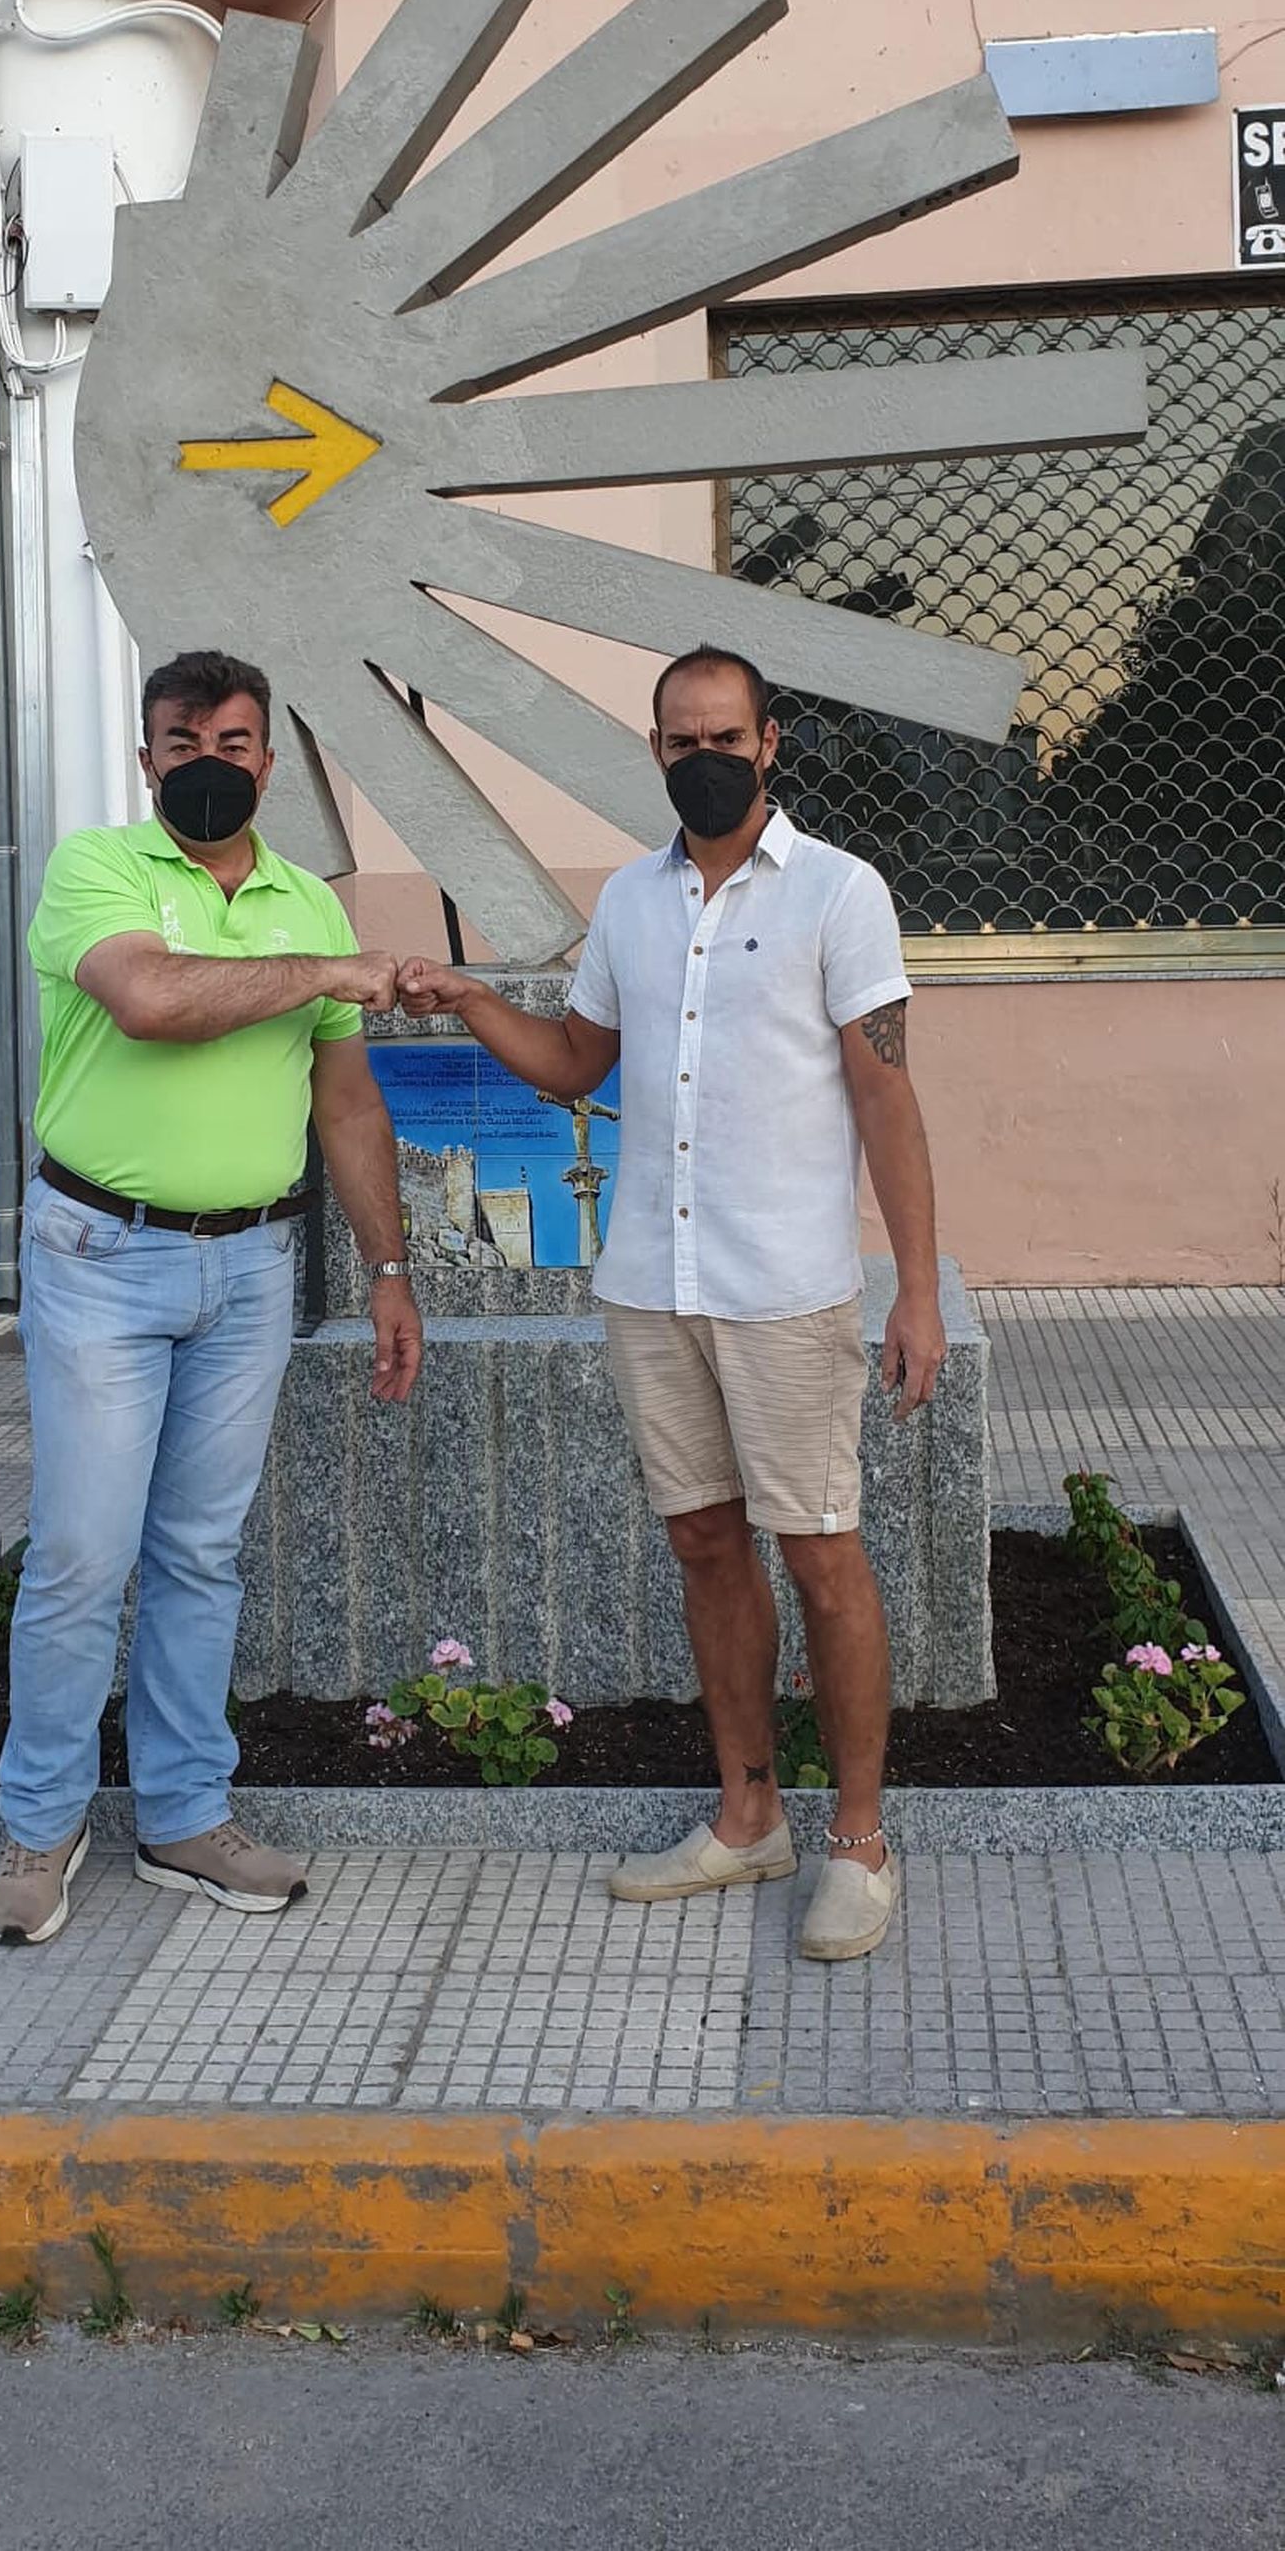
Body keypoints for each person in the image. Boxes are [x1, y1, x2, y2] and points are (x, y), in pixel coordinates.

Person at [399, 644, 945, 1964]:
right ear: (655, 750)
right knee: (706, 1548)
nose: (703, 755)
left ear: (770, 744)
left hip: (786, 1293)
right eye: (679, 737)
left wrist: (916, 1287)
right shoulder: (632, 903)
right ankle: (747, 1813)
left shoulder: (839, 893)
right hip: (653, 1282)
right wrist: (476, 999)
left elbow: (887, 1096)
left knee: (821, 1554)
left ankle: (859, 1839)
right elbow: (577, 1059)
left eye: (726, 735)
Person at [0, 649, 421, 1948]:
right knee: (81, 1554)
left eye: (237, 743)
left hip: (249, 1272)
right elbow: (154, 1000)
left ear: (270, 763)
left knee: (199, 1554)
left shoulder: (308, 903)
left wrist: (389, 1270)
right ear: (147, 759)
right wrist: (320, 978)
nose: (212, 763)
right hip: (102, 1258)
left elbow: (345, 1102)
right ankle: (41, 1824)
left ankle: (184, 1813)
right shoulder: (99, 872)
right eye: (186, 743)